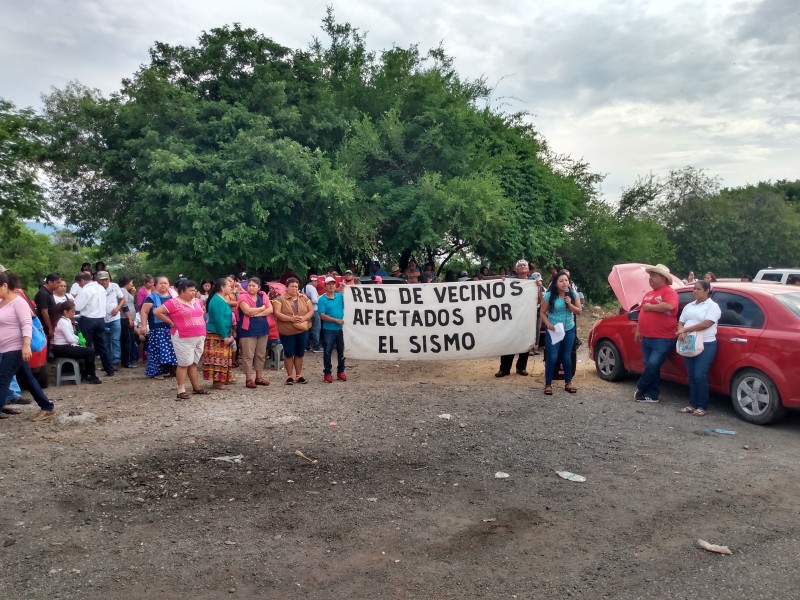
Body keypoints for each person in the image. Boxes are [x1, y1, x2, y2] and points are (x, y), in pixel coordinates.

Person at [0, 272, 57, 422]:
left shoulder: (18, 302)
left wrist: (26, 345)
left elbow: (26, 324)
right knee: (28, 379)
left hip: (15, 347)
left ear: (5, 286)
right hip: (4, 347)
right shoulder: (1, 302)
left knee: (3, 378)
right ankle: (47, 406)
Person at [154, 279, 210, 399]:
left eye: (194, 290)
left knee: (194, 363)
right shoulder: (173, 303)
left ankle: (196, 387)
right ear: (182, 291)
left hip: (199, 335)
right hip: (183, 336)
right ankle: (181, 390)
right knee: (184, 363)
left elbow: (202, 311)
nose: (193, 293)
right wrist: (170, 322)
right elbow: (157, 312)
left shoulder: (198, 301)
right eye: (190, 291)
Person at [633, 264, 679, 403]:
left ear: (663, 278)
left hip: (663, 338)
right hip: (647, 336)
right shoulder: (649, 294)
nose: (650, 279)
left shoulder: (669, 292)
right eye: (650, 276)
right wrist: (638, 330)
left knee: (653, 364)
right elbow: (641, 312)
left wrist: (651, 307)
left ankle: (641, 387)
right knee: (650, 366)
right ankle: (651, 395)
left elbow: (670, 306)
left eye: (654, 276)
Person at [675, 280, 721, 417]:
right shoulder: (689, 306)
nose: (694, 291)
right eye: (694, 288)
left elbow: (707, 323)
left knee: (699, 375)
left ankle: (702, 405)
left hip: (706, 342)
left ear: (707, 291)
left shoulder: (712, 306)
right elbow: (681, 322)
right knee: (691, 375)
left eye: (698, 289)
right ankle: (693, 404)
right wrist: (681, 331)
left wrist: (686, 330)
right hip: (690, 342)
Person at [540, 270, 581, 395]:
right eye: (561, 281)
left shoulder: (573, 294)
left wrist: (570, 304)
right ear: (556, 283)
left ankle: (568, 382)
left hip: (568, 329)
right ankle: (548, 384)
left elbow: (578, 311)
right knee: (552, 356)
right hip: (554, 330)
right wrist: (548, 324)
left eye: (566, 281)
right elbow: (542, 312)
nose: (564, 283)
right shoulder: (549, 296)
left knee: (566, 356)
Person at [496, 259, 535, 377]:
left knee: (525, 341)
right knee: (509, 341)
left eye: (525, 265)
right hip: (511, 317)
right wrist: (502, 282)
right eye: (520, 265)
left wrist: (538, 286)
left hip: (527, 316)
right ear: (516, 269)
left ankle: (521, 367)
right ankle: (504, 369)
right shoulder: (509, 281)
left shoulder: (533, 282)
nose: (523, 266)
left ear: (528, 269)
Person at [271, 277, 313, 385]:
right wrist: (291, 319)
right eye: (292, 286)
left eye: (296, 286)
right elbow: (277, 313)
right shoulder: (279, 299)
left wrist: (303, 318)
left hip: (302, 330)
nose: (294, 288)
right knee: (289, 353)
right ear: (287, 287)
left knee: (299, 353)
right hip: (287, 331)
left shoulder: (304, 298)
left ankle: (299, 375)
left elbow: (311, 311)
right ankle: (289, 376)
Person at [74, 271, 115, 377]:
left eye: (79, 283)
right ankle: (109, 369)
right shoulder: (101, 288)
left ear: (82, 280)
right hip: (101, 319)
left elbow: (77, 306)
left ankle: (89, 371)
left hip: (88, 319)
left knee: (87, 346)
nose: (79, 285)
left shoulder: (86, 290)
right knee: (103, 346)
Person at [51, 300, 100, 384]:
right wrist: (79, 341)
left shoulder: (67, 321)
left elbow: (72, 335)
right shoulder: (62, 322)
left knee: (88, 349)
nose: (74, 313)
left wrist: (79, 339)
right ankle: (90, 375)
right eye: (72, 311)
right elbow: (69, 339)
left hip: (65, 346)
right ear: (65, 312)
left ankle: (86, 373)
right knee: (90, 351)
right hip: (61, 348)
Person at [237, 277, 272, 388]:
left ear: (259, 287)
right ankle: (248, 379)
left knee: (261, 354)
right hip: (248, 330)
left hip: (262, 328)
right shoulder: (242, 296)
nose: (251, 287)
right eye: (250, 285)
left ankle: (259, 377)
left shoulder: (263, 295)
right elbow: (246, 310)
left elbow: (270, 309)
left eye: (254, 285)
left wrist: (257, 313)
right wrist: (262, 308)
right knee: (248, 355)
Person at [140, 276, 178, 379]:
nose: (163, 285)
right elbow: (144, 312)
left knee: (172, 350)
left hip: (171, 327)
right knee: (157, 350)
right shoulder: (151, 297)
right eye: (161, 283)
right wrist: (143, 326)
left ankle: (172, 370)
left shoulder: (173, 298)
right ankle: (157, 372)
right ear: (156, 285)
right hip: (157, 328)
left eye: (165, 283)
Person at [202, 278, 236, 389]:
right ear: (222, 287)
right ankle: (217, 382)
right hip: (217, 333)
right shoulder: (217, 300)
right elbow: (219, 319)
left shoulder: (221, 298)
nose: (231, 288)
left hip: (223, 332)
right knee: (217, 357)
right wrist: (224, 335)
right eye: (229, 286)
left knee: (223, 357)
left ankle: (223, 379)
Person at [318, 276, 347, 383]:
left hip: (341, 328)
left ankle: (340, 372)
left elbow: (351, 300)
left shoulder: (339, 296)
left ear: (336, 286)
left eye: (333, 284)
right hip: (328, 329)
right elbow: (322, 315)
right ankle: (327, 373)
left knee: (342, 351)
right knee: (327, 351)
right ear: (325, 286)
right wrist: (336, 320)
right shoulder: (322, 299)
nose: (331, 286)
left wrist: (345, 288)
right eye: (329, 284)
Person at [97, 270, 125, 369]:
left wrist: (117, 309)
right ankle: (107, 362)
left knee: (115, 339)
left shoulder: (114, 286)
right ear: (98, 280)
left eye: (106, 279)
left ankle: (116, 361)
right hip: (102, 318)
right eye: (102, 280)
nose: (104, 282)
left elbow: (122, 298)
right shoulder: (96, 288)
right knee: (105, 341)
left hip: (115, 317)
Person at [34, 272, 61, 339]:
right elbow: (44, 311)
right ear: (50, 282)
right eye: (57, 283)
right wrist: (50, 327)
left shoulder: (49, 292)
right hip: (45, 325)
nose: (59, 285)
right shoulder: (43, 293)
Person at [303, 275, 322, 353]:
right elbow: (314, 300)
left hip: (306, 311)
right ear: (313, 281)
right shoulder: (312, 288)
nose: (317, 284)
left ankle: (306, 346)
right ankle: (316, 347)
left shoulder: (303, 288)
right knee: (316, 328)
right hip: (314, 310)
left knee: (307, 328)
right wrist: (321, 297)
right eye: (317, 282)